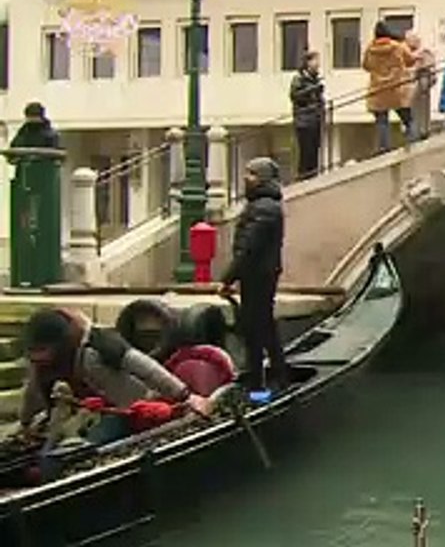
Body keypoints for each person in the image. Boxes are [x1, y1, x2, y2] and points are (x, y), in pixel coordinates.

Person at [16, 307, 212, 446]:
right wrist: (25, 425)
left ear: (61, 342)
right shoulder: (44, 364)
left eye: (42, 350)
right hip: (89, 409)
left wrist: (186, 396)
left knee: (88, 445)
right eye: (33, 351)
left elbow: (146, 368)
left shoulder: (100, 347)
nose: (36, 357)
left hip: (130, 408)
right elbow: (34, 391)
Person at [218, 157, 288, 395]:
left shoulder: (263, 208)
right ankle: (276, 377)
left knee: (256, 330)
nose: (246, 178)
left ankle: (258, 386)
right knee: (263, 327)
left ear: (263, 178)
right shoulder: (264, 205)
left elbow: (249, 249)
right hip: (260, 275)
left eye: (252, 174)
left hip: (258, 276)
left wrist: (227, 279)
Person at [362, 21, 417, 152]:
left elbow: (365, 66)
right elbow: (410, 60)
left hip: (378, 90)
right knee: (408, 119)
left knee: (382, 121)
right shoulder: (398, 46)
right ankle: (412, 144)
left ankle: (383, 148)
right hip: (397, 88)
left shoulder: (370, 49)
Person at [290, 50, 324, 180]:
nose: (318, 64)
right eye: (315, 60)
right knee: (306, 151)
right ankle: (304, 177)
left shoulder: (315, 78)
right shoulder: (299, 78)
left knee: (315, 150)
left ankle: (313, 176)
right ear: (308, 62)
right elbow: (295, 96)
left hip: (315, 119)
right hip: (304, 120)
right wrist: (312, 89)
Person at [404, 30, 435, 139]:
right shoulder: (410, 53)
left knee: (420, 111)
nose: (406, 43)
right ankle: (415, 132)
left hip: (421, 86)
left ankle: (421, 132)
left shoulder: (424, 52)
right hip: (413, 87)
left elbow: (429, 69)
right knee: (413, 111)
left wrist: (416, 71)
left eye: (408, 40)